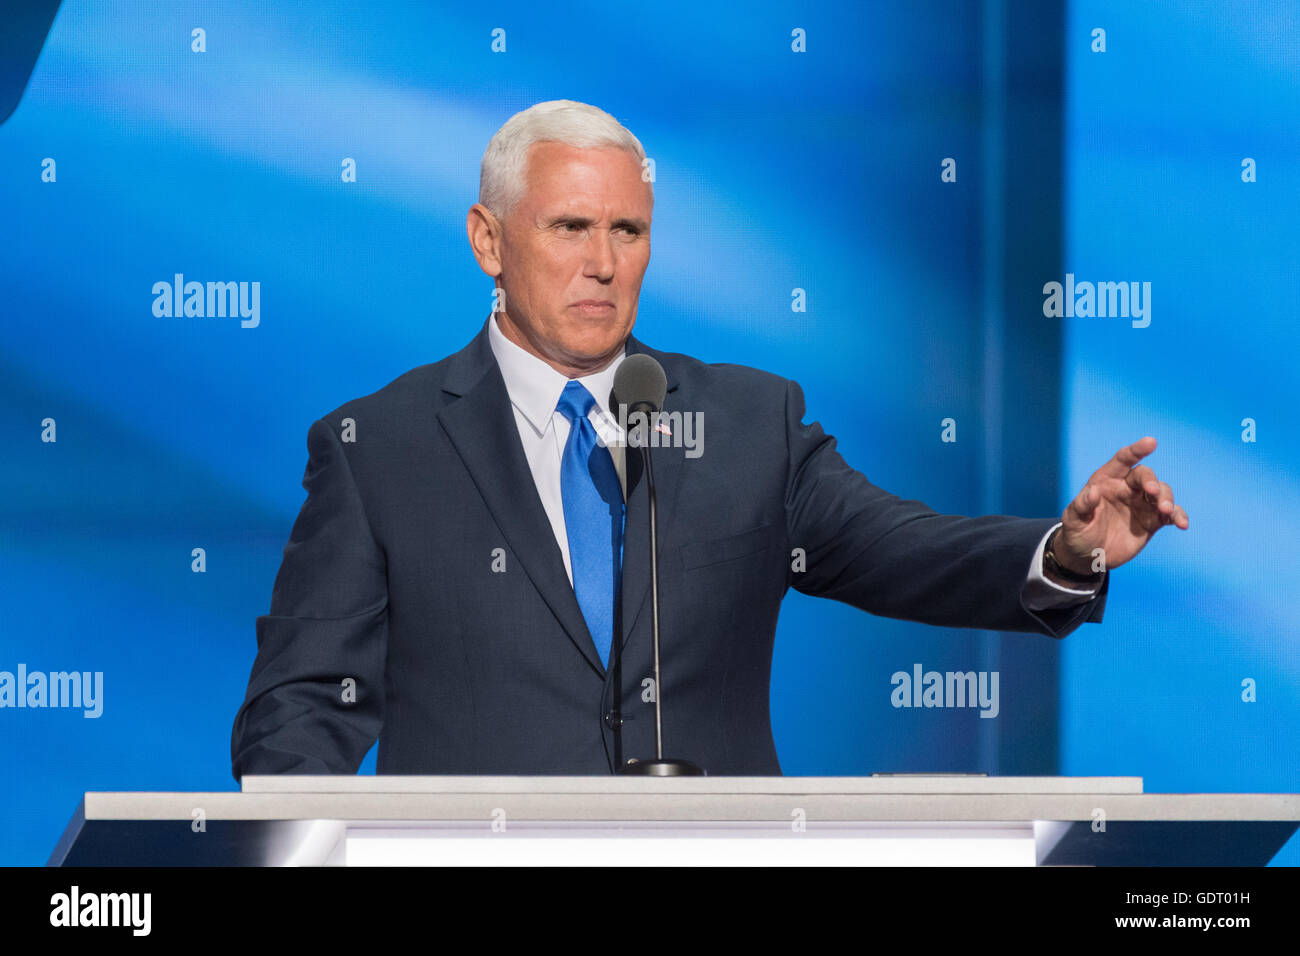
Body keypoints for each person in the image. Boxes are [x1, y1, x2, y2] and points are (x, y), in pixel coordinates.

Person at [230, 100, 1187, 778]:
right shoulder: (379, 447)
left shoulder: (744, 422)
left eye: (629, 231)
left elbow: (902, 551)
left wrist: (1066, 550)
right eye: (570, 227)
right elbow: (303, 703)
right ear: (488, 240)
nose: (603, 264)